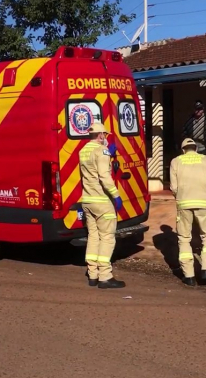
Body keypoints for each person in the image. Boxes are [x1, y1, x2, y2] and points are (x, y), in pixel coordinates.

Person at [79, 123, 125, 289]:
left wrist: (108, 156)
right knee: (107, 237)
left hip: (88, 201)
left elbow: (91, 170)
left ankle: (92, 274)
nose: (105, 138)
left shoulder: (83, 150)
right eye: (104, 135)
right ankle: (105, 276)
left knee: (93, 236)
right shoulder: (101, 150)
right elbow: (104, 176)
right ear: (100, 135)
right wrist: (116, 195)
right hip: (102, 201)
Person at [169, 138, 206, 286]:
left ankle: (188, 276)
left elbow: (174, 187)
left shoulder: (176, 161)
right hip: (204, 202)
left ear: (183, 149)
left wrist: (180, 199)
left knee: (184, 238)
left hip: (184, 203)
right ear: (196, 148)